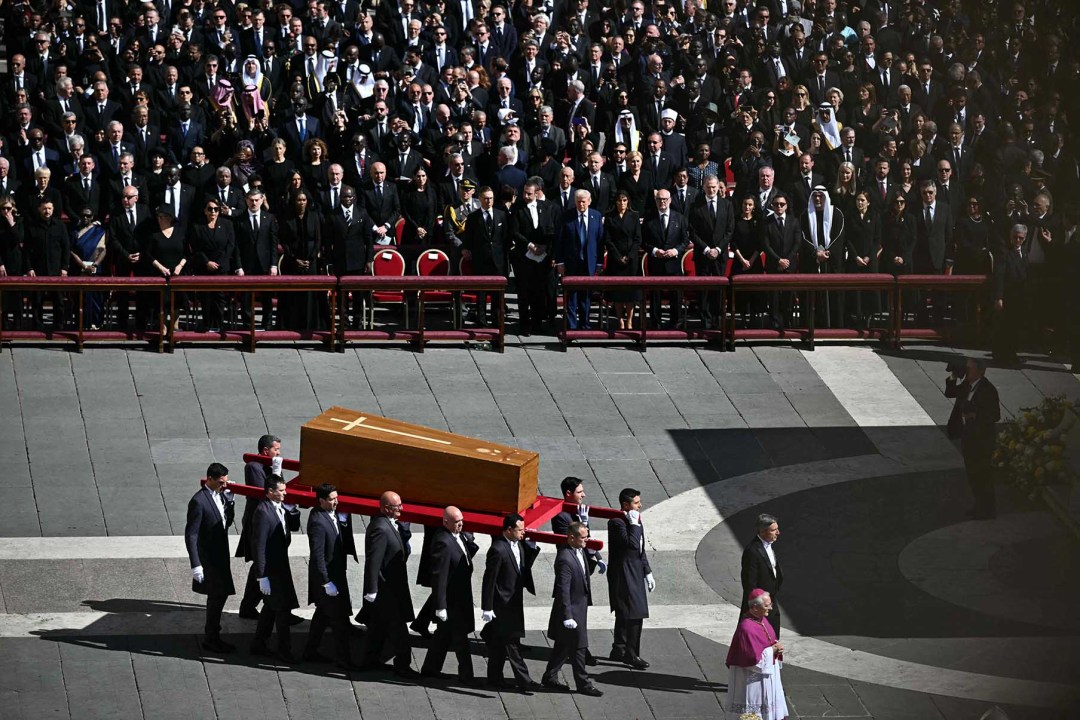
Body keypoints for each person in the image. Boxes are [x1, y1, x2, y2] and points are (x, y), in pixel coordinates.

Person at [480, 513, 542, 692]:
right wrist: (487, 607)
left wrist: (532, 547)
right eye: (520, 530)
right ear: (508, 530)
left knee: (499, 644)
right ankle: (525, 680)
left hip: (513, 601)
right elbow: (489, 579)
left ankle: (494, 679)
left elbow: (521, 567)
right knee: (511, 642)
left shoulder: (518, 544)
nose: (523, 532)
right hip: (502, 604)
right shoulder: (498, 549)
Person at [541, 521, 603, 697]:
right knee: (579, 647)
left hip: (579, 607)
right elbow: (563, 589)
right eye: (583, 538)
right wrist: (568, 616)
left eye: (587, 537)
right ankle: (583, 683)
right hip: (571, 610)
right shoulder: (565, 559)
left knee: (563, 645)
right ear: (571, 538)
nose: (586, 540)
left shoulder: (580, 550)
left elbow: (583, 573)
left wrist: (595, 559)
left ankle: (550, 676)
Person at [360, 490, 418, 677]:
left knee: (378, 627)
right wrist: (372, 589)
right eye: (397, 506)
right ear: (386, 508)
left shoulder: (388, 524)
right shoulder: (380, 529)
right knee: (399, 629)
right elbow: (373, 562)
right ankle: (402, 665)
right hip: (386, 590)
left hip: (390, 588)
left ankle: (369, 660)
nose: (401, 508)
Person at [419, 506, 480, 685]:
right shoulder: (443, 542)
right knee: (461, 640)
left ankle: (430, 668)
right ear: (445, 522)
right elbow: (439, 577)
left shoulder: (457, 535)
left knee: (443, 635)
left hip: (459, 598)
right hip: (452, 602)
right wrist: (440, 606)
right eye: (456, 522)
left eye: (461, 520)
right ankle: (467, 676)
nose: (460, 524)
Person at [302, 483, 358, 669]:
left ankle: (310, 650)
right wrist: (326, 582)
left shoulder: (330, 514)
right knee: (339, 620)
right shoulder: (318, 522)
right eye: (332, 499)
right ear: (321, 501)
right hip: (327, 579)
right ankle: (344, 659)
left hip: (335, 575)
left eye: (336, 498)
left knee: (322, 616)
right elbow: (318, 556)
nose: (336, 502)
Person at [183, 462, 236, 654]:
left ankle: (213, 634)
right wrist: (196, 564)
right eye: (221, 482)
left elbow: (226, 523)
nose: (224, 485)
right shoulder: (199, 501)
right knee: (216, 595)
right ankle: (211, 637)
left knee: (220, 595)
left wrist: (230, 502)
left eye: (226, 482)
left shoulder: (220, 495)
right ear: (210, 479)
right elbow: (191, 534)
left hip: (220, 555)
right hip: (209, 559)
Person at [249, 474, 302, 662]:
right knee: (282, 609)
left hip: (280, 566)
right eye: (281, 491)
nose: (285, 493)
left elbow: (293, 527)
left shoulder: (279, 507)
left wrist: (292, 511)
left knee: (271, 608)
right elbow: (259, 546)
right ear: (270, 492)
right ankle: (284, 650)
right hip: (271, 571)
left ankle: (258, 643)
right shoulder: (263, 512)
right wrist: (262, 576)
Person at [236, 435, 287, 620]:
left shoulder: (270, 465)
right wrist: (275, 472)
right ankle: (254, 606)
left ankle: (252, 605)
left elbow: (281, 488)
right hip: (258, 519)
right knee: (262, 561)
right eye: (276, 449)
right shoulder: (253, 466)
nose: (279, 453)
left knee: (266, 562)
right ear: (266, 450)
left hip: (271, 517)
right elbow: (263, 492)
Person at [946, 357, 1001, 519]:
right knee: (972, 474)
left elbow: (995, 415)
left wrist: (975, 415)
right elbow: (950, 393)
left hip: (982, 439)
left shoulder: (988, 389)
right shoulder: (966, 385)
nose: (966, 371)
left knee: (982, 474)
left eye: (969, 368)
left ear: (979, 371)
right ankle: (979, 506)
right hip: (968, 436)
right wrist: (954, 375)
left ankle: (988, 509)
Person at [606, 487, 654, 669]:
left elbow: (641, 549)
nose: (640, 506)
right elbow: (632, 544)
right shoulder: (617, 522)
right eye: (636, 503)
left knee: (626, 612)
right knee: (634, 613)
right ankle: (631, 654)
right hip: (624, 573)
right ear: (626, 505)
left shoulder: (635, 520)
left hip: (635, 570)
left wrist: (647, 571)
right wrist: (634, 525)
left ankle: (619, 649)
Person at [725, 589, 788, 720]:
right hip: (752, 680)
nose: (771, 608)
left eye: (770, 604)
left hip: (767, 674)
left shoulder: (762, 620)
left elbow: (769, 641)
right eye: (767, 605)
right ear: (755, 608)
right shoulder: (746, 628)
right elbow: (752, 659)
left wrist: (777, 648)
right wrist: (772, 650)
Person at [555, 189, 603, 330]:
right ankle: (571, 326)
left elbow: (600, 241)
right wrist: (560, 262)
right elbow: (559, 241)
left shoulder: (596, 216)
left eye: (583, 201)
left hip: (589, 262)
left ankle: (585, 323)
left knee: (586, 295)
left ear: (589, 201)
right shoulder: (566, 216)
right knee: (571, 295)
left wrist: (599, 262)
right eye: (578, 202)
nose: (581, 204)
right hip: (571, 262)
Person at [602, 190, 642, 330]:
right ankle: (620, 320)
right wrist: (618, 256)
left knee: (630, 293)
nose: (622, 203)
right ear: (615, 202)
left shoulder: (634, 216)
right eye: (619, 200)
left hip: (631, 260)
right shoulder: (610, 217)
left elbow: (638, 238)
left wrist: (630, 255)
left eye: (624, 200)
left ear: (628, 201)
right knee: (618, 293)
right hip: (615, 259)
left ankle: (629, 320)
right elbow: (608, 239)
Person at [740, 513, 783, 639]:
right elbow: (749, 583)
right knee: (760, 637)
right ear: (763, 531)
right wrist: (757, 607)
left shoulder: (769, 546)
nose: (778, 533)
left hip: (770, 600)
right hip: (760, 605)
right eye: (774, 530)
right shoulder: (752, 551)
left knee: (773, 636)